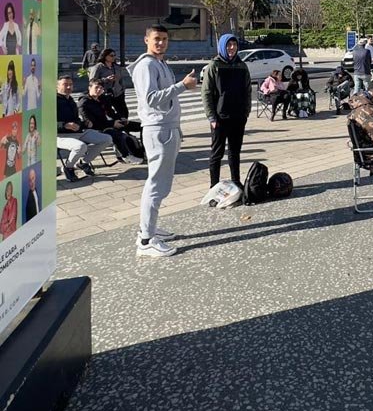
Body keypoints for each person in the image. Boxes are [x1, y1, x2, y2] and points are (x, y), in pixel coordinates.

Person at [128, 25, 197, 257]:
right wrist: (182, 86)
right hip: (159, 130)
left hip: (167, 128)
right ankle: (146, 240)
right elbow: (151, 99)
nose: (161, 43)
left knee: (160, 184)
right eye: (156, 39)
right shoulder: (147, 65)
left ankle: (149, 228)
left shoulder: (159, 63)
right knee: (157, 185)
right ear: (146, 40)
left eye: (165, 39)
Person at [201, 33, 251, 188]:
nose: (232, 48)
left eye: (234, 45)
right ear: (223, 46)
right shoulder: (214, 66)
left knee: (235, 152)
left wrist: (246, 112)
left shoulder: (242, 65)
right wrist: (212, 117)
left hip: (238, 117)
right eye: (229, 45)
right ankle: (213, 186)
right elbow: (206, 93)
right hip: (220, 118)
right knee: (217, 154)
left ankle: (236, 181)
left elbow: (247, 90)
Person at [55, 75, 113, 181]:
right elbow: (46, 123)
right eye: (65, 84)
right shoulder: (52, 101)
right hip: (59, 135)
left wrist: (83, 123)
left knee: (107, 139)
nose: (68, 87)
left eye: (70, 84)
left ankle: (82, 163)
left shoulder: (71, 100)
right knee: (80, 146)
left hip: (77, 132)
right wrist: (64, 125)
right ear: (57, 86)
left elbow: (76, 119)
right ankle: (68, 167)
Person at [78, 80, 144, 165]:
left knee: (142, 126)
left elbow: (111, 112)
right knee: (117, 134)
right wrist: (112, 124)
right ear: (89, 88)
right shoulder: (84, 103)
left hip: (111, 123)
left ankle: (143, 151)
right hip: (98, 128)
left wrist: (121, 119)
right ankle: (126, 156)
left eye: (101, 88)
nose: (99, 90)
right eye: (96, 87)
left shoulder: (102, 98)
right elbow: (91, 123)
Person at [89, 48, 130, 119]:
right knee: (109, 113)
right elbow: (92, 81)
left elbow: (121, 79)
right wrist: (106, 79)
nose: (114, 57)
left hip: (118, 93)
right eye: (111, 55)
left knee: (124, 112)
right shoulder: (98, 67)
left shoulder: (117, 67)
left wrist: (123, 89)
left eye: (114, 55)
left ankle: (124, 128)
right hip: (105, 94)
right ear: (105, 56)